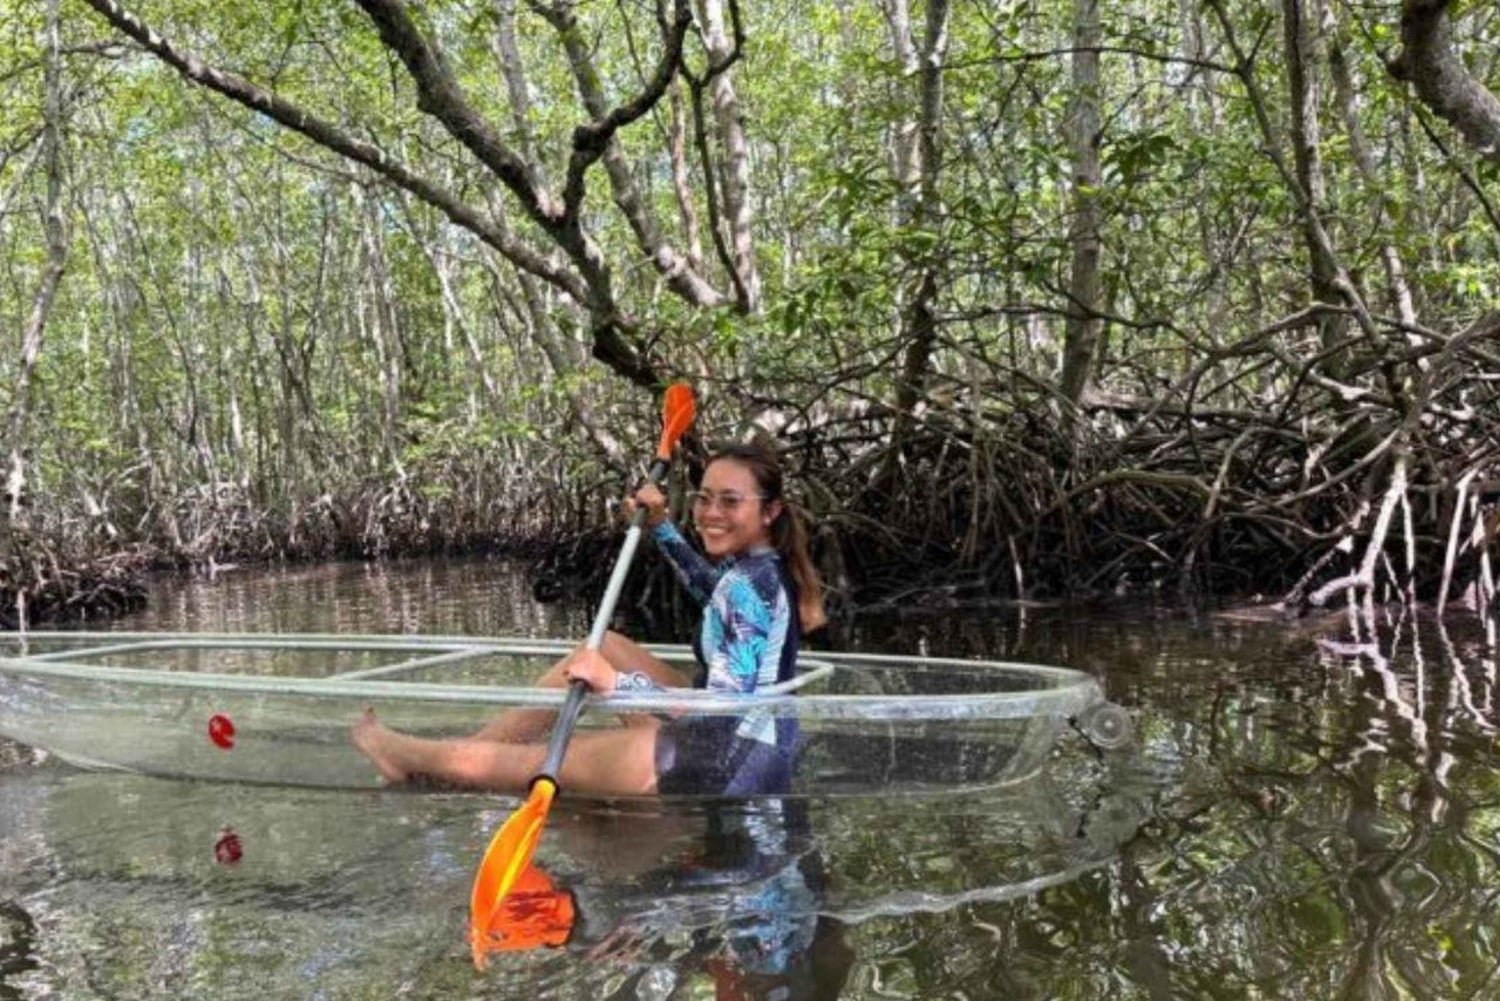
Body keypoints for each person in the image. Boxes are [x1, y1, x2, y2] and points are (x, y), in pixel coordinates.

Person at [351, 441, 826, 798]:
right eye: (704, 498)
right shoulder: (758, 569)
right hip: (752, 748)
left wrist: (616, 684)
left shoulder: (748, 585)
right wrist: (660, 528)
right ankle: (466, 754)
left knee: (534, 761)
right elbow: (712, 593)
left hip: (723, 765)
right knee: (606, 644)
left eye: (730, 501)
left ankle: (412, 757)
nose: (710, 512)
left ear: (770, 511)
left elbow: (720, 709)